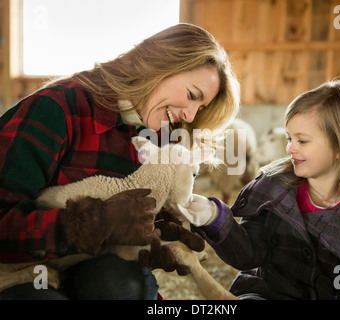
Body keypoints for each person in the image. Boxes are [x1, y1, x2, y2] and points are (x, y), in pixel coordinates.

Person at [0, 23, 240, 300]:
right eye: (191, 95)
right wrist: (90, 224)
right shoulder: (56, 109)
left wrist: (153, 233)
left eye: (200, 108)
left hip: (82, 264)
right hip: (17, 269)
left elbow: (124, 211)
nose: (190, 115)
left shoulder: (155, 136)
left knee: (126, 286)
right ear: (159, 65)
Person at [180, 77, 340, 299]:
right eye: (289, 139)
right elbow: (248, 255)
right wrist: (214, 218)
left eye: (302, 141)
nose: (290, 148)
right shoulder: (273, 189)